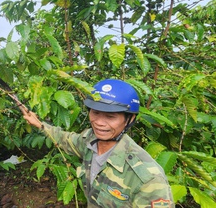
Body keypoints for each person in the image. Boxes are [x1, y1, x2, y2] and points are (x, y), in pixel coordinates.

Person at [21, 79, 174, 208]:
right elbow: (65, 139)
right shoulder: (89, 141)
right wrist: (39, 124)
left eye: (110, 116)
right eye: (95, 113)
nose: (99, 123)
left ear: (130, 119)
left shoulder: (148, 178)